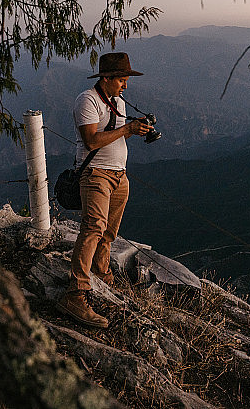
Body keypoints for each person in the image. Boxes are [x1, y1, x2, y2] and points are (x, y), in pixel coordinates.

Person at [57, 52, 151, 328]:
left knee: (109, 232)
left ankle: (102, 275)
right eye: (121, 80)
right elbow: (91, 141)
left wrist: (135, 128)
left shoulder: (117, 102)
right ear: (106, 78)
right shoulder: (87, 100)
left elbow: (116, 133)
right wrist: (127, 129)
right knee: (93, 229)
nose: (125, 85)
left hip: (119, 175)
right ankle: (75, 294)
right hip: (95, 174)